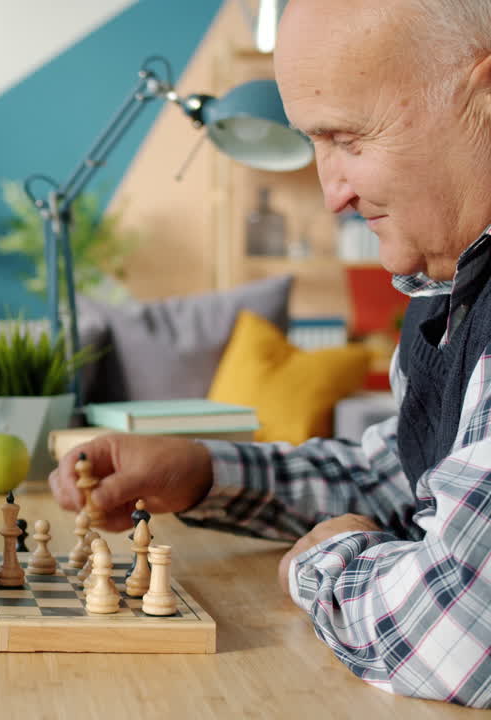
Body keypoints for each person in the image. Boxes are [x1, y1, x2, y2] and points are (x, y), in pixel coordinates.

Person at [54, 0, 491, 707]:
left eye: (348, 139)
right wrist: (201, 472)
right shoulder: (449, 283)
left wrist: (321, 563)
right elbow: (401, 479)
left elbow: (453, 631)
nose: (331, 196)